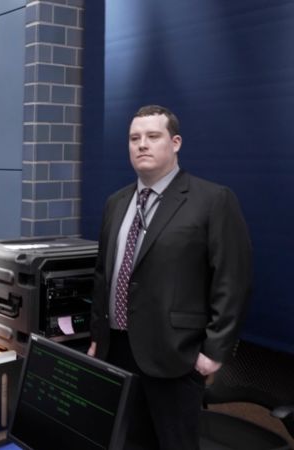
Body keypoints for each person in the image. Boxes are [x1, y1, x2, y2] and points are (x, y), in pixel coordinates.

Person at [87, 104, 252, 450]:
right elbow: (103, 275)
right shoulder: (116, 203)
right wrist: (98, 338)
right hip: (117, 351)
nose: (142, 145)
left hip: (176, 357)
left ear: (175, 143)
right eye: (134, 138)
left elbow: (232, 281)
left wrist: (214, 352)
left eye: (152, 136)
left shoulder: (212, 200)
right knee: (126, 441)